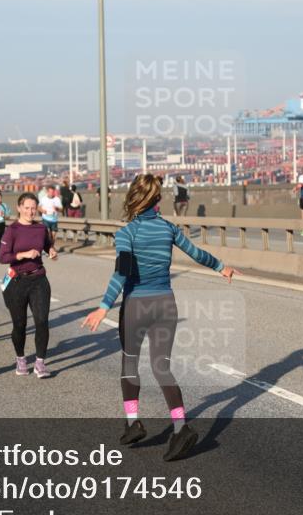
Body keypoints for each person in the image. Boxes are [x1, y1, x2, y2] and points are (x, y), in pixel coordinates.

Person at [81, 174, 239, 461]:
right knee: (161, 367)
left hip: (136, 307)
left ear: (133, 198)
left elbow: (122, 272)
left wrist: (104, 305)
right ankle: (180, 427)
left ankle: (133, 423)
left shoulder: (126, 233)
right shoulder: (169, 228)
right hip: (166, 305)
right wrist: (222, 267)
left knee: (129, 363)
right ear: (157, 199)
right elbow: (197, 253)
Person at [0, 192, 58, 379]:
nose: (30, 212)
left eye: (33, 208)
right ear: (19, 208)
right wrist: (23, 255)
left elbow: (48, 245)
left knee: (42, 322)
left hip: (39, 279)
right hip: (17, 281)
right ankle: (21, 358)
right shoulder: (12, 230)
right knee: (20, 324)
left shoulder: (41, 228)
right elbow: (2, 257)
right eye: (27, 208)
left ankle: (40, 363)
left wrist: (51, 251)